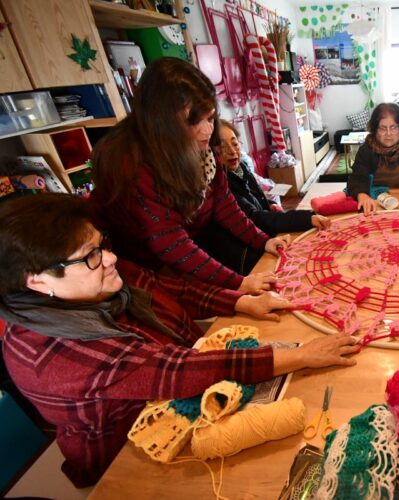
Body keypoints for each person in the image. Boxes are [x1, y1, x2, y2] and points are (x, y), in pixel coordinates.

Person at [0, 193, 359, 488]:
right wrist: (301, 357)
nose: (109, 258)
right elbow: (177, 370)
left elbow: (169, 287)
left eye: (101, 244)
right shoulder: (53, 353)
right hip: (126, 458)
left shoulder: (93, 280)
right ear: (36, 281)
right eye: (90, 256)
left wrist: (240, 301)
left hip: (181, 380)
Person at [91, 57, 288, 293]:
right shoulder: (130, 162)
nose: (208, 130)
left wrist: (263, 240)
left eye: (210, 118)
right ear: (164, 123)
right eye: (195, 122)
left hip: (184, 248)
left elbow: (224, 205)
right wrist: (239, 284)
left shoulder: (204, 147)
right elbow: (171, 243)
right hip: (136, 266)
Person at [215, 119, 331, 234]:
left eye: (235, 144)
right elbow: (254, 218)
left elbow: (254, 200)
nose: (232, 151)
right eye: (222, 147)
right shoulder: (221, 186)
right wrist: (305, 219)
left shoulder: (242, 168)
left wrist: (269, 205)